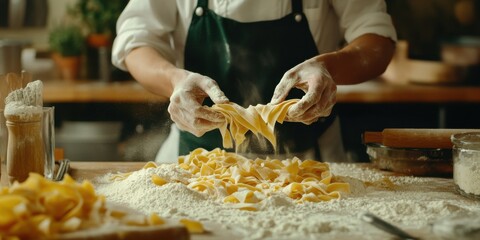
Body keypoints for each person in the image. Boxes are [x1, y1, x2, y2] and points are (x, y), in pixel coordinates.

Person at [112, 0, 396, 163]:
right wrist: (174, 80)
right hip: (192, 162)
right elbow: (136, 42)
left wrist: (329, 68)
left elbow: (377, 40)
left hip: (310, 165)